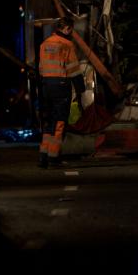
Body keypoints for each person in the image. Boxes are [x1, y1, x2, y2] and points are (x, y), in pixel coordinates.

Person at [38, 17, 85, 168]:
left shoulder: (44, 44)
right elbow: (74, 70)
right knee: (59, 121)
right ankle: (54, 157)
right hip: (61, 85)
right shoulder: (67, 44)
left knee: (48, 122)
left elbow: (41, 69)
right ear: (67, 29)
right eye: (71, 29)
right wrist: (80, 90)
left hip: (46, 86)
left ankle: (43, 156)